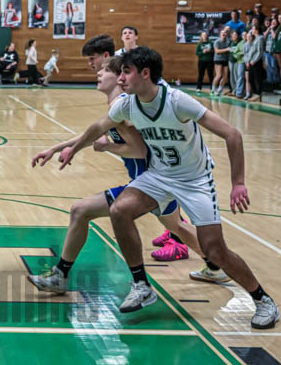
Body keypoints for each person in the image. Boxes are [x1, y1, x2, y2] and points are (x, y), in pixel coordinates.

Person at [57, 47, 280, 329]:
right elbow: (98, 127)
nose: (121, 78)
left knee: (214, 250)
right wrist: (74, 149)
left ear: (145, 74)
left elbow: (232, 134)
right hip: (159, 176)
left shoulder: (177, 101)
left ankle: (263, 300)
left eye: (126, 72)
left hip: (195, 181)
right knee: (120, 210)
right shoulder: (127, 104)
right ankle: (141, 285)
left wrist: (238, 183)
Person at [30, 57, 220, 294]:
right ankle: (216, 265)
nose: (98, 74)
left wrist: (108, 147)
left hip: (148, 182)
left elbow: (140, 151)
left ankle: (61, 274)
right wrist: (58, 148)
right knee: (177, 227)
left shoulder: (123, 107)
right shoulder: (121, 105)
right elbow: (94, 133)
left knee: (80, 210)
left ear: (119, 77)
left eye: (104, 70)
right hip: (161, 179)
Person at [244, 24, 265, 101]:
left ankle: (259, 94)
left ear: (256, 30)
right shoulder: (255, 38)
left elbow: (260, 51)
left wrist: (254, 60)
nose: (251, 30)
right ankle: (255, 93)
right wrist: (248, 61)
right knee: (250, 79)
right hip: (251, 62)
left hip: (257, 62)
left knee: (258, 79)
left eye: (253, 29)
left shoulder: (260, 38)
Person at [212, 27, 231, 95]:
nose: (224, 34)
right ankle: (213, 89)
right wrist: (227, 49)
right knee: (219, 75)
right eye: (222, 33)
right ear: (220, 34)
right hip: (218, 59)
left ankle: (220, 89)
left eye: (225, 33)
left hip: (225, 59)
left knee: (225, 76)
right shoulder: (217, 41)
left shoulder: (228, 41)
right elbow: (217, 51)